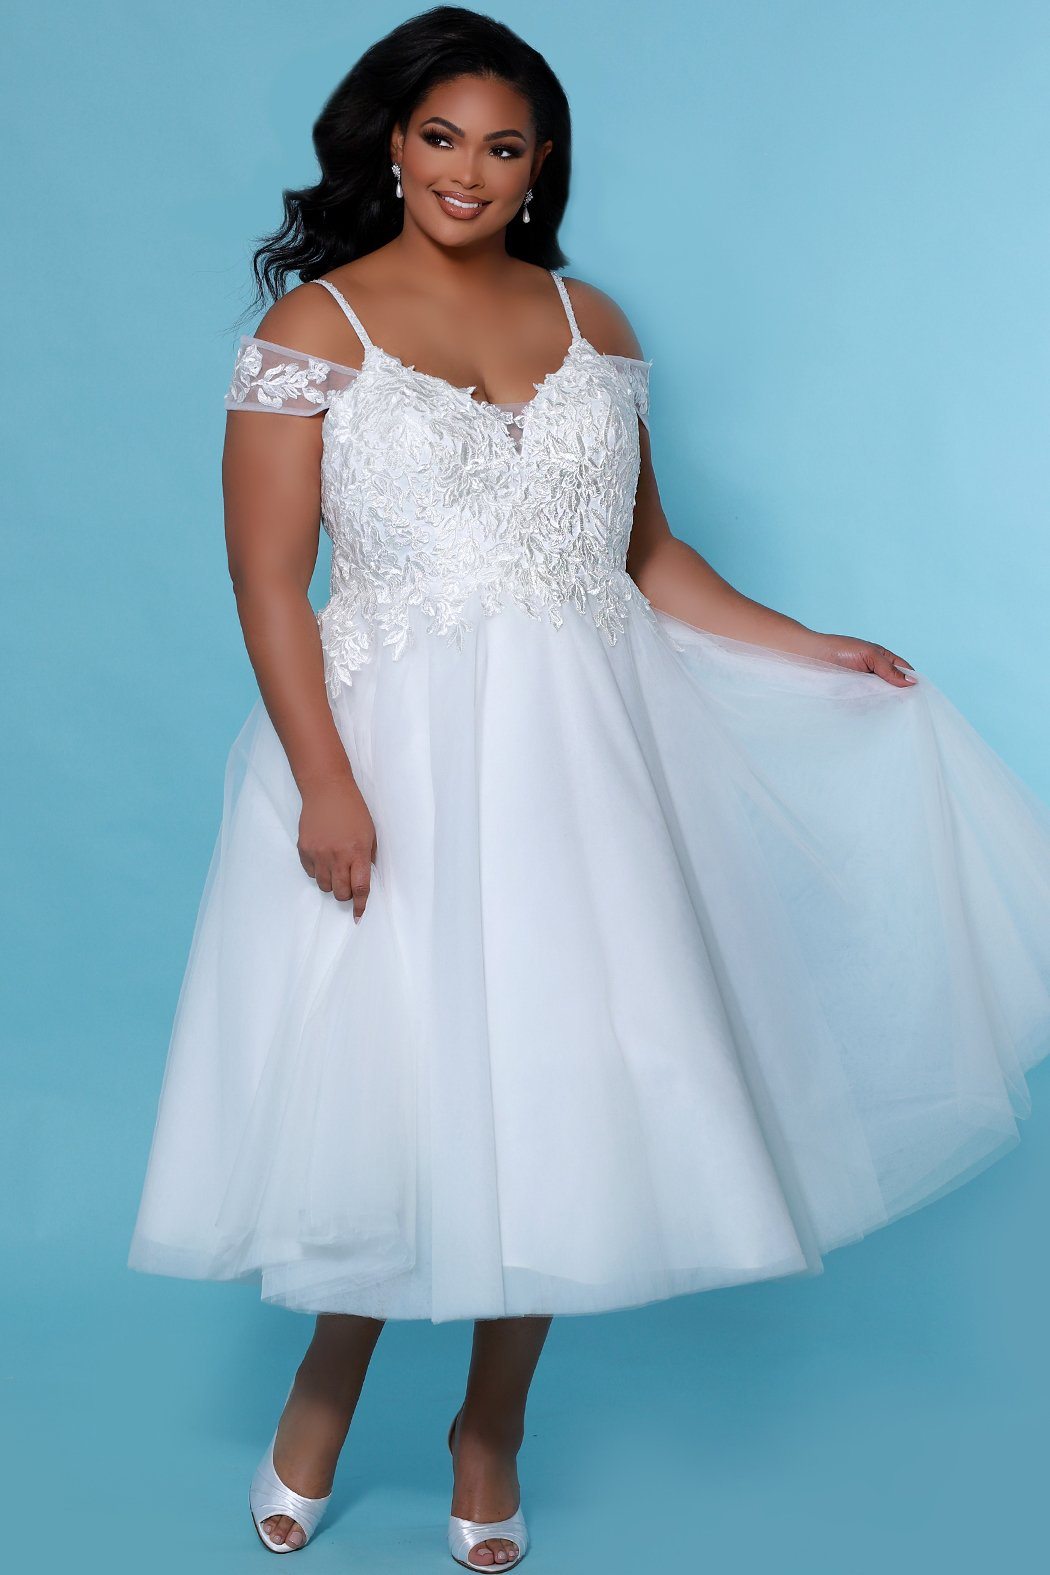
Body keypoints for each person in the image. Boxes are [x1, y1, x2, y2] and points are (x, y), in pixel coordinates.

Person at [127, 7, 1050, 1568]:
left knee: (570, 1089)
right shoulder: (313, 330)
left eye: (502, 146)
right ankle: (324, 1388)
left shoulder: (589, 316)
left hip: (585, 764)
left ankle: (490, 1429)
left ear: (540, 161)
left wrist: (811, 646)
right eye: (440, 138)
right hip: (394, 756)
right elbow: (267, 581)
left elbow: (645, 557)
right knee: (395, 1087)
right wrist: (327, 784)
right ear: (390, 145)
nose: (467, 171)